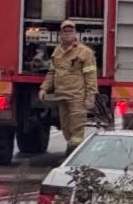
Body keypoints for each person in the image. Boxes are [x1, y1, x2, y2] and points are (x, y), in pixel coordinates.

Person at [38, 19, 98, 155]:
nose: (68, 33)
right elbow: (52, 72)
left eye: (70, 30)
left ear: (75, 33)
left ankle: (72, 156)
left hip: (77, 97)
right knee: (65, 127)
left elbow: (90, 76)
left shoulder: (85, 52)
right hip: (61, 96)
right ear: (61, 33)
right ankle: (71, 148)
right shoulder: (57, 51)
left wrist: (90, 97)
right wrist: (44, 88)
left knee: (77, 128)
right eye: (65, 31)